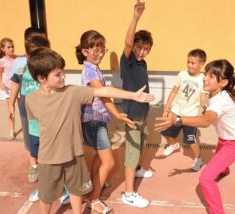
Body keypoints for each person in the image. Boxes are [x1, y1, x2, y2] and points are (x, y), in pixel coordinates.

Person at [25, 47, 154, 214]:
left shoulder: (72, 92)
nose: (63, 76)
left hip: (74, 155)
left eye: (62, 72)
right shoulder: (31, 100)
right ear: (41, 78)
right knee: (47, 195)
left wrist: (132, 95)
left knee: (76, 190)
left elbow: (103, 91)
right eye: (57, 75)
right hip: (48, 158)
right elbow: (36, 126)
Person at [155, 59, 235, 214]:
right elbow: (209, 112)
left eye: (211, 76)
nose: (205, 78)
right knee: (219, 161)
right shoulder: (217, 94)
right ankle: (223, 170)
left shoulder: (220, 100)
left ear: (223, 82)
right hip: (225, 140)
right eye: (207, 74)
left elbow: (205, 121)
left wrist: (178, 120)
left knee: (205, 180)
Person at [76, 30, 136, 213]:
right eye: (96, 51)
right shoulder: (89, 71)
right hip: (93, 121)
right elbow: (104, 96)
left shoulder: (93, 68)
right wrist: (117, 115)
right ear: (85, 51)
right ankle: (94, 200)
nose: (101, 54)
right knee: (109, 162)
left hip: (96, 119)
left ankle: (93, 185)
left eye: (103, 50)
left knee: (98, 157)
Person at [120, 0, 154, 208]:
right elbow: (128, 44)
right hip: (132, 115)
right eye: (139, 47)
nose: (141, 51)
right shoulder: (128, 61)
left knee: (141, 145)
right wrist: (135, 18)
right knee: (131, 154)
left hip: (142, 113)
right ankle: (128, 193)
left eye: (145, 48)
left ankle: (139, 167)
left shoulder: (143, 63)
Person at [9, 27, 47, 183]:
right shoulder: (19, 63)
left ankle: (47, 161)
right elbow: (15, 83)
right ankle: (34, 164)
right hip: (27, 105)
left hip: (45, 104)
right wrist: (10, 104)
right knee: (31, 134)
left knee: (45, 133)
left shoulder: (46, 60)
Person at [161, 49, 208, 171]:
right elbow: (174, 91)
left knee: (190, 140)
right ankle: (173, 145)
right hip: (175, 112)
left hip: (190, 117)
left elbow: (203, 97)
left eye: (193, 63)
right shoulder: (182, 74)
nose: (189, 65)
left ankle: (198, 158)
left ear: (201, 64)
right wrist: (167, 108)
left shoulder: (203, 79)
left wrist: (205, 107)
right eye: (188, 62)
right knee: (166, 133)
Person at [0, 37, 17, 139]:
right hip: (8, 88)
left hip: (18, 87)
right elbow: (0, 74)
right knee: (10, 109)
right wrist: (1, 84)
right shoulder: (1, 61)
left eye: (12, 46)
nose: (12, 49)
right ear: (3, 49)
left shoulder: (18, 59)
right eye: (9, 47)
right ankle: (12, 130)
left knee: (24, 108)